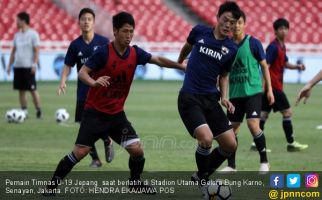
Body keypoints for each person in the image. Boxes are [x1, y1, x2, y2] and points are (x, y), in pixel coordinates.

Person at [44, 11, 185, 196]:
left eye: (131, 31)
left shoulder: (135, 53)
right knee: (80, 152)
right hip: (95, 113)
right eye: (125, 31)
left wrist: (180, 65)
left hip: (117, 116)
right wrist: (94, 82)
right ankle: (51, 186)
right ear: (115, 31)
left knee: (137, 151)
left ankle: (135, 184)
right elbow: (82, 73)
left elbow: (157, 60)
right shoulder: (103, 52)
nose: (129, 35)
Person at [177, 1, 241, 199]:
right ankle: (205, 183)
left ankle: (200, 175)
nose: (228, 25)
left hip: (210, 100)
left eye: (232, 22)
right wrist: (180, 62)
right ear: (218, 17)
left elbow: (223, 75)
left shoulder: (231, 48)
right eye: (225, 20)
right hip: (189, 97)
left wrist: (225, 97)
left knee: (230, 145)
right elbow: (187, 46)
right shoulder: (199, 32)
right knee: (205, 138)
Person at [57, 8, 114, 168]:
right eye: (83, 19)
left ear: (94, 22)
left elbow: (112, 63)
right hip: (83, 93)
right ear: (79, 22)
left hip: (101, 93)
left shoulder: (103, 42)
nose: (86, 21)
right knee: (84, 128)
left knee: (97, 125)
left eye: (89, 19)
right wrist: (63, 81)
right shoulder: (75, 45)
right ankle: (96, 158)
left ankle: (106, 138)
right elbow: (68, 65)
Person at [220, 11, 274, 173]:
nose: (236, 25)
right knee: (231, 131)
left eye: (239, 22)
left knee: (253, 124)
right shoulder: (226, 46)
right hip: (235, 95)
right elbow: (223, 72)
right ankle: (231, 166)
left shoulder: (253, 43)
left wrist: (269, 89)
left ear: (244, 24)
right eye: (233, 22)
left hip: (253, 92)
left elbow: (264, 66)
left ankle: (264, 162)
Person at [258, 18, 308, 152]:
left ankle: (255, 143)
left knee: (263, 114)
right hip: (273, 87)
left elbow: (285, 63)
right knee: (287, 112)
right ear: (275, 31)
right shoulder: (273, 47)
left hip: (273, 87)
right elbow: (265, 66)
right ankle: (291, 143)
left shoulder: (282, 46)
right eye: (281, 28)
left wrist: (297, 66)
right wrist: (265, 87)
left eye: (286, 28)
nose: (284, 31)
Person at [7, 12, 42, 118]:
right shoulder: (16, 35)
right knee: (21, 90)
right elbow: (13, 51)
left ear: (23, 21)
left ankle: (38, 110)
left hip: (28, 66)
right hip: (18, 66)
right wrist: (9, 65)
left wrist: (34, 64)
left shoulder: (33, 34)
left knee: (32, 89)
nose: (16, 22)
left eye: (17, 20)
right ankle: (24, 111)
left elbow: (36, 51)